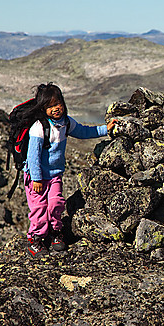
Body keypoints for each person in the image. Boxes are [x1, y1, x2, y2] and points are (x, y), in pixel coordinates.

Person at [23, 83, 116, 257]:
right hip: (36, 177)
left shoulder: (65, 122)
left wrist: (105, 129)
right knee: (40, 208)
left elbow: (83, 132)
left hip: (54, 175)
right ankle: (35, 239)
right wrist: (36, 178)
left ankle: (55, 233)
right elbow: (33, 156)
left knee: (56, 203)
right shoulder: (38, 127)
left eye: (57, 103)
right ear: (43, 109)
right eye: (49, 106)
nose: (55, 109)